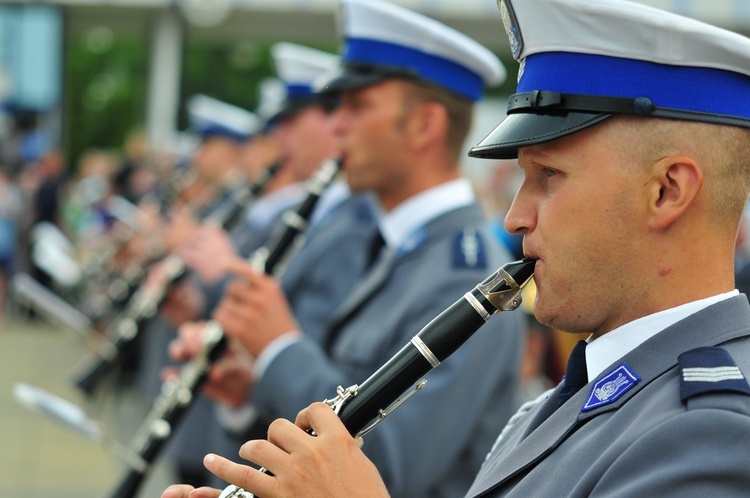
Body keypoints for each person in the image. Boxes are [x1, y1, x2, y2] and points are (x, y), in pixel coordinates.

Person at [162, 0, 750, 496]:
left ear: (667, 190)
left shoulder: (715, 432)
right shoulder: (547, 409)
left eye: (548, 176)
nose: (516, 216)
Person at [164, 1, 524, 496]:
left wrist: (279, 348)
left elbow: (393, 472)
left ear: (424, 125)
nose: (337, 127)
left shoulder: (469, 275)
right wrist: (249, 393)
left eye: (357, 107)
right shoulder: (386, 244)